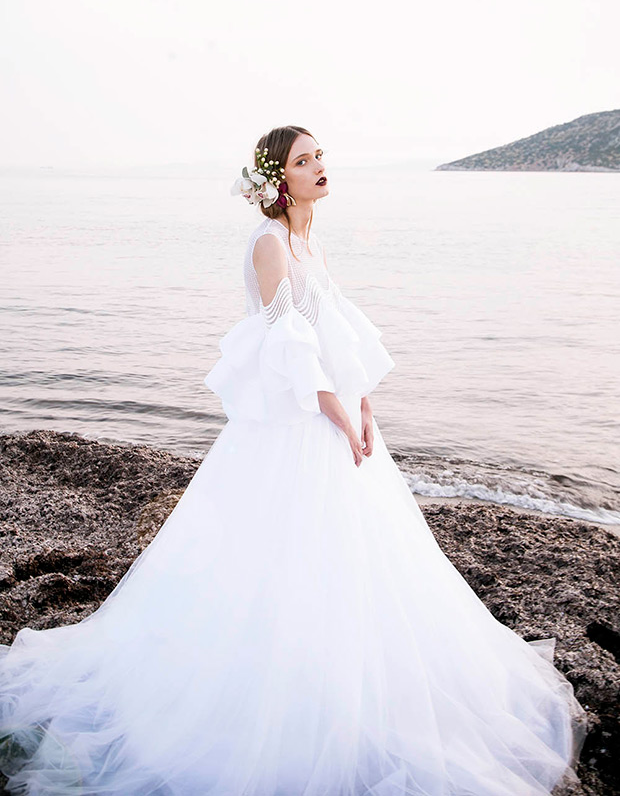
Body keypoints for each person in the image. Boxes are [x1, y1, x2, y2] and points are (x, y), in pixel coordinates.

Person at [0, 125, 589, 795]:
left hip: (335, 413)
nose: (318, 167)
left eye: (319, 156)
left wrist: (361, 402)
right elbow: (284, 337)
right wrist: (332, 409)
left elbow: (338, 333)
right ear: (278, 178)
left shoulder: (310, 241)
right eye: (303, 160)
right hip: (292, 427)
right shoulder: (270, 243)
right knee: (276, 558)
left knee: (355, 561)